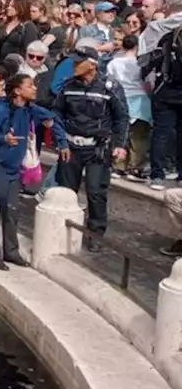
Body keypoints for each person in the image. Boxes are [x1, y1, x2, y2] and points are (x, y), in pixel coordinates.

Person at [0, 73, 67, 270]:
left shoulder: (29, 110)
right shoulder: (0, 110)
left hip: (14, 170)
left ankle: (11, 252)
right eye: (30, 85)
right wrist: (3, 140)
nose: (35, 88)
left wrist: (63, 143)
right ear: (17, 90)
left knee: (11, 212)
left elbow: (52, 119)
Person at [52, 48, 128, 252]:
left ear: (92, 64)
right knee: (66, 191)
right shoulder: (68, 86)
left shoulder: (109, 86)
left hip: (98, 148)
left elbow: (122, 117)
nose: (74, 65)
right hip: (71, 146)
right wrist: (61, 141)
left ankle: (95, 234)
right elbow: (57, 113)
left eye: (79, 62)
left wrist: (120, 145)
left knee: (96, 192)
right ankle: (61, 228)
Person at [106, 33, 151, 181]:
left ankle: (118, 166)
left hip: (120, 98)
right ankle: (135, 167)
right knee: (138, 136)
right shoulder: (141, 63)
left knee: (120, 133)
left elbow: (109, 82)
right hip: (140, 100)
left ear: (123, 46)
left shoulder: (113, 63)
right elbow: (148, 84)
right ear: (137, 47)